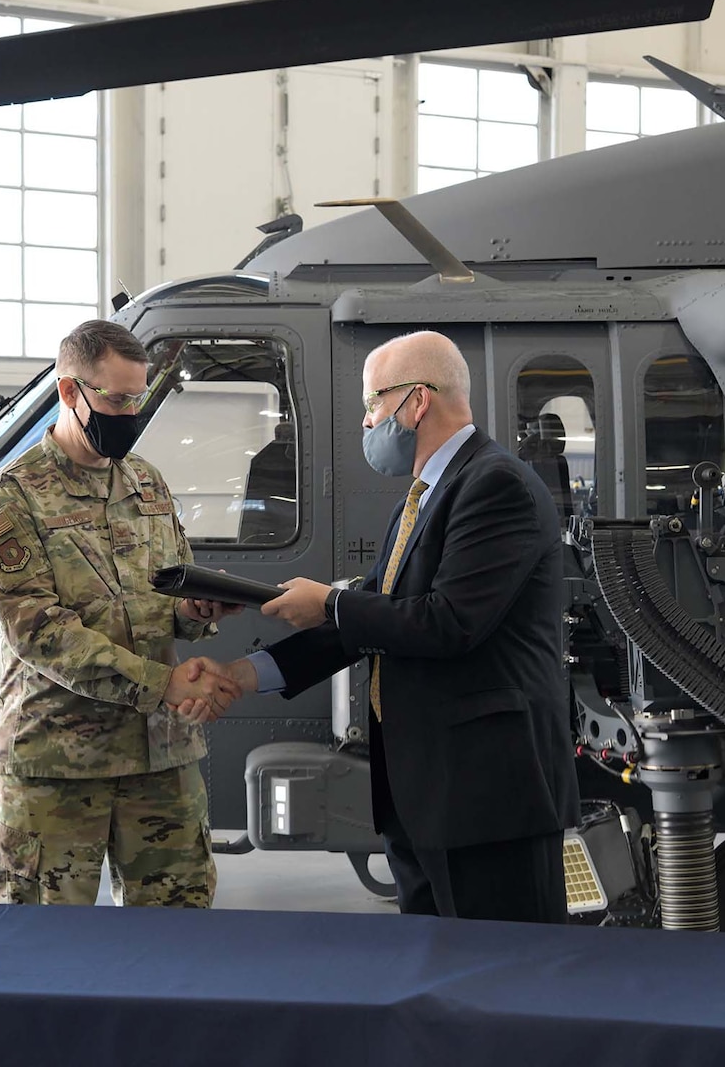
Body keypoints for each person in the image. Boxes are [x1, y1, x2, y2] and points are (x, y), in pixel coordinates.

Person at [213, 330, 579, 922]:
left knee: (504, 983)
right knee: (435, 975)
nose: (366, 423)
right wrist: (246, 674)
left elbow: (448, 622)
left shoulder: (494, 484)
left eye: (372, 404)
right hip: (425, 797)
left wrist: (330, 604)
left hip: (485, 801)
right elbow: (378, 614)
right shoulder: (426, 493)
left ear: (416, 401)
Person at [0, 319, 240, 907]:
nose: (130, 412)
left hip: (161, 756)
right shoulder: (11, 495)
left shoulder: (147, 483)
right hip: (57, 762)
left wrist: (196, 610)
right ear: (70, 392)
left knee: (178, 930)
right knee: (41, 949)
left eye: (139, 398)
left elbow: (171, 597)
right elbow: (38, 631)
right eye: (117, 399)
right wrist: (162, 685)